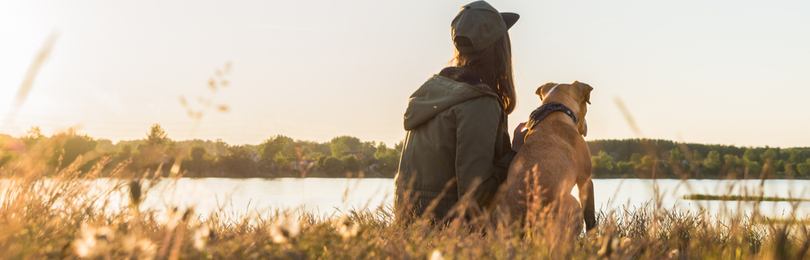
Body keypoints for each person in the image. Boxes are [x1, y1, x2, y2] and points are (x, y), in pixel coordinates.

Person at [394, 1, 526, 224]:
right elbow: (476, 198)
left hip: (410, 227)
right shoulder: (479, 103)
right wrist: (515, 153)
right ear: (500, 49)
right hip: (448, 232)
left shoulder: (431, 91)